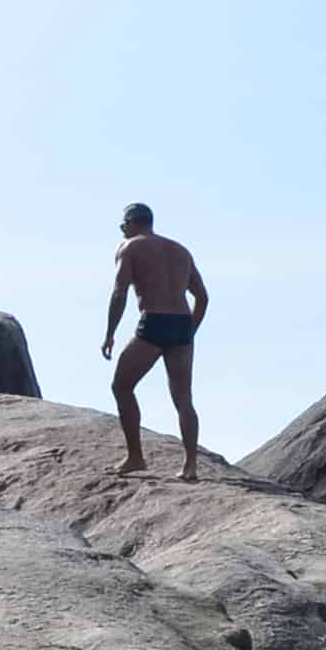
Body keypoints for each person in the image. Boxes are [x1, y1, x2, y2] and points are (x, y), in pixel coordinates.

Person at [101, 203, 210, 479]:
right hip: (182, 325)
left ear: (133, 222)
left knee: (121, 386)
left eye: (123, 225)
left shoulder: (129, 248)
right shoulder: (181, 251)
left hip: (154, 323)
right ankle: (190, 466)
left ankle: (135, 457)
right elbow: (202, 297)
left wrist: (109, 333)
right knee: (184, 399)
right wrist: (190, 331)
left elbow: (119, 293)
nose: (122, 230)